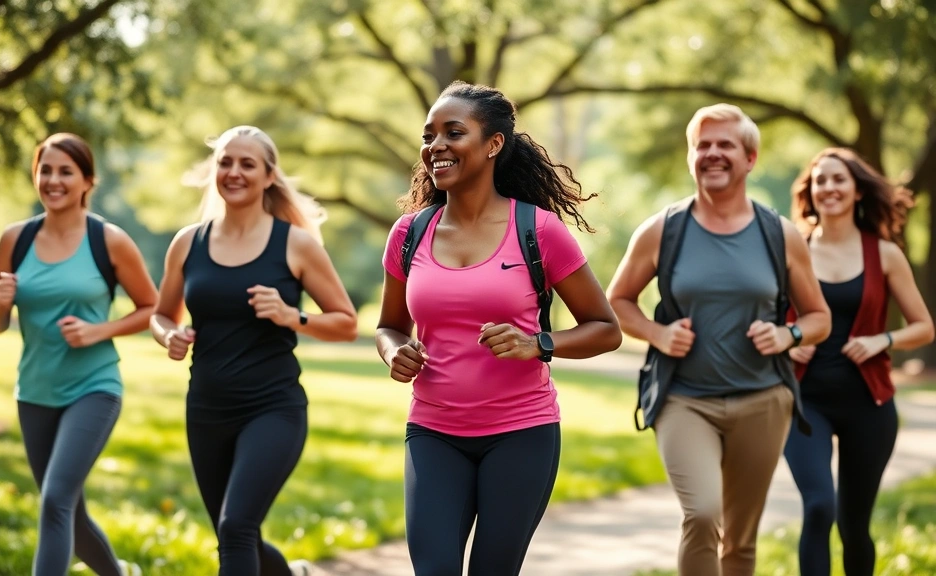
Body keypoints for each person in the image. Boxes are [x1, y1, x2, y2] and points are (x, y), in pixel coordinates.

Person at [375, 81, 623, 576]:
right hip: (433, 431)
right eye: (429, 136)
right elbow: (389, 326)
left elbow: (605, 328)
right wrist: (393, 351)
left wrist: (538, 344)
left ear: (493, 145)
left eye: (453, 132)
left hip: (521, 434)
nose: (435, 146)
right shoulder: (409, 233)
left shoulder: (538, 230)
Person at [606, 104, 832, 576]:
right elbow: (617, 301)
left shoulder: (780, 235)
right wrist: (657, 333)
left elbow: (819, 318)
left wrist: (787, 334)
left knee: (742, 541)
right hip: (684, 400)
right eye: (702, 145)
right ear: (691, 158)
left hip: (763, 402)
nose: (712, 154)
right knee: (703, 514)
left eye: (725, 144)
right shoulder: (663, 230)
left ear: (749, 158)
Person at [149, 126, 357, 576]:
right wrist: (169, 336)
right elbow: (161, 315)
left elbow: (346, 322)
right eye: (225, 162)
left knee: (236, 526)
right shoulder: (188, 242)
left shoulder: (294, 244)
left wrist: (292, 316)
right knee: (236, 535)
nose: (234, 172)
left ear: (268, 177)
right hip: (206, 410)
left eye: (247, 164)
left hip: (272, 408)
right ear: (214, 171)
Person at [0, 133, 157, 576]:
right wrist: (1, 304)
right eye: (46, 169)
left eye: (66, 171)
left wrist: (100, 331)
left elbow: (153, 307)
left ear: (87, 181)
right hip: (36, 391)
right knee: (70, 516)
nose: (53, 180)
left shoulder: (108, 240)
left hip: (94, 388)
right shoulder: (15, 240)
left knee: (56, 500)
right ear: (35, 176)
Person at [783, 148, 934, 576]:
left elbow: (924, 326)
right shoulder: (792, 247)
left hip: (869, 406)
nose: (829, 188)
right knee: (818, 507)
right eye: (820, 180)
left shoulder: (884, 254)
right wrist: (789, 342)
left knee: (854, 526)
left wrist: (882, 339)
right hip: (803, 402)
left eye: (839, 179)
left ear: (857, 190)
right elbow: (764, 318)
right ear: (810, 192)